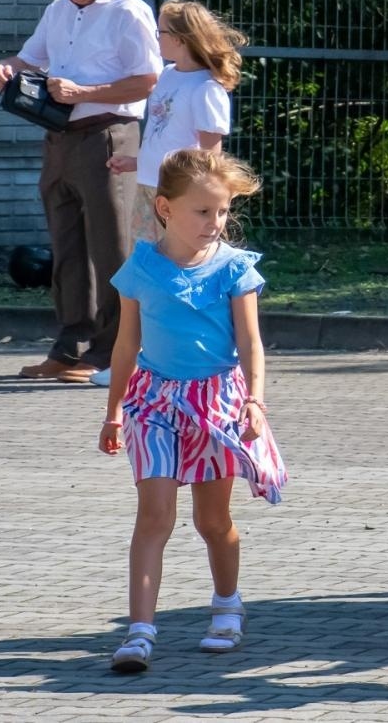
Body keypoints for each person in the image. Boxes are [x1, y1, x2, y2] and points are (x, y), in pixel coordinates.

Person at [97, 148, 286, 673]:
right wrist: (114, 411)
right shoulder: (141, 267)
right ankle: (139, 634)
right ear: (165, 208)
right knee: (154, 517)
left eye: (222, 211)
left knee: (213, 520)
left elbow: (251, 343)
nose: (215, 222)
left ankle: (227, 608)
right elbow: (124, 347)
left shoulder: (234, 269)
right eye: (203, 211)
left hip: (217, 404)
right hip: (153, 402)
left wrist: (254, 399)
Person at [0, 0, 162, 385]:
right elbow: (29, 58)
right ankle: (70, 347)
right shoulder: (59, 9)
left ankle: (112, 352)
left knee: (111, 247)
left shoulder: (129, 12)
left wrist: (86, 93)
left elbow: (148, 80)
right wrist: (5, 67)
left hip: (109, 135)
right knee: (66, 247)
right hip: (60, 136)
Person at [91, 0, 245, 388]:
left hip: (178, 200)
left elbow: (209, 157)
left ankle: (176, 359)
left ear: (179, 38)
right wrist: (136, 162)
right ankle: (135, 360)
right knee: (146, 272)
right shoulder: (168, 75)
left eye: (160, 32)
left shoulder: (208, 88)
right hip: (150, 190)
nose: (156, 38)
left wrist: (194, 206)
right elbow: (164, 136)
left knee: (174, 275)